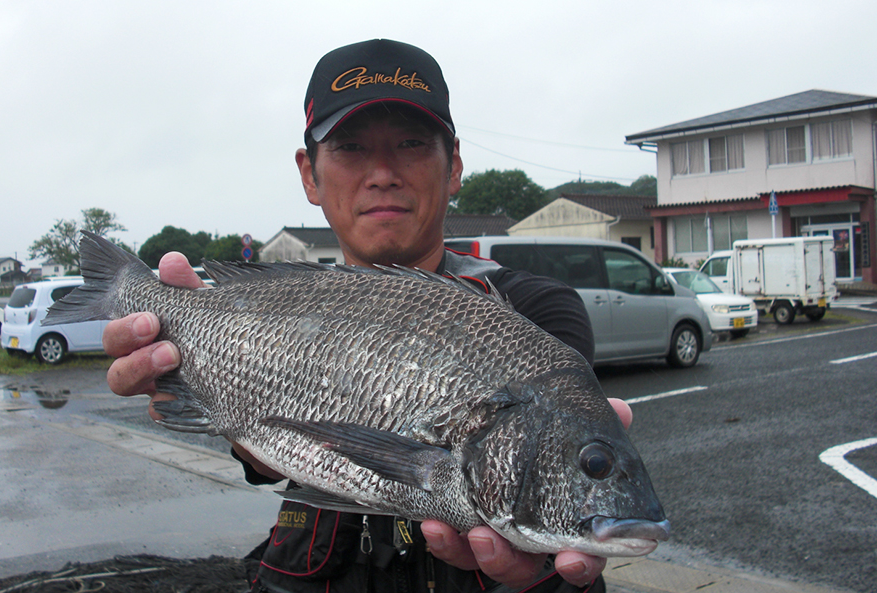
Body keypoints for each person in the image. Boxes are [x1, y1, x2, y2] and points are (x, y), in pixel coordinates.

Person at [104, 39, 633, 592]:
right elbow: (272, 458)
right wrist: (187, 372)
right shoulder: (267, 304)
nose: (382, 173)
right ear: (309, 174)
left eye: (409, 143)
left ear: (453, 166)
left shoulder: (535, 315)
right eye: (351, 147)